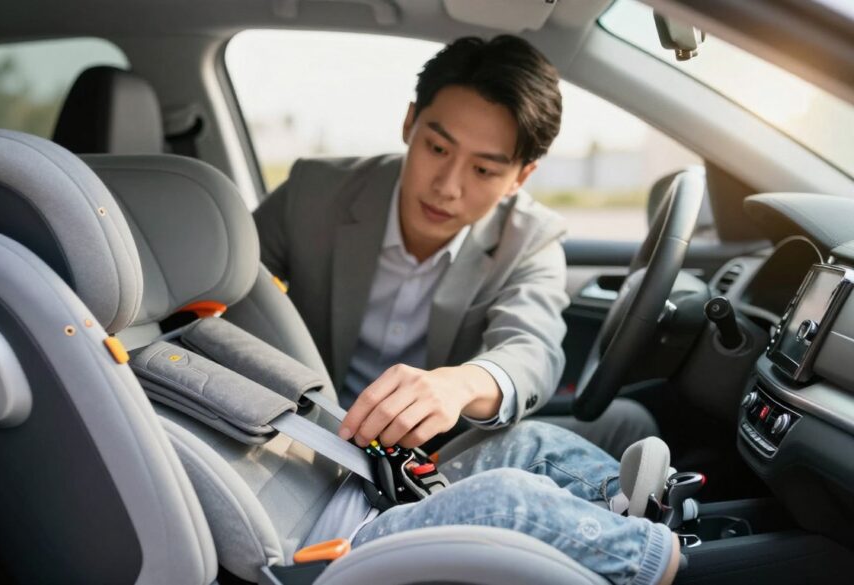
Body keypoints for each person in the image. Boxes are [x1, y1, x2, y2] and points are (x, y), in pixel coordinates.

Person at [255, 35, 680, 584]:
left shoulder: (531, 237)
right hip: (309, 438)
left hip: (432, 450)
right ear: (409, 123)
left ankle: (632, 533)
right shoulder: (314, 193)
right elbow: (216, 276)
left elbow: (532, 348)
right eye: (437, 148)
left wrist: (459, 385)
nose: (448, 187)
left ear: (521, 176)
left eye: (483, 170)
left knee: (630, 421)